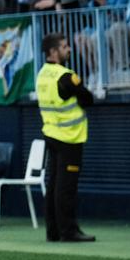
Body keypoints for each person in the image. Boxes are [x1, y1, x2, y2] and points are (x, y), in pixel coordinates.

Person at [37, 33, 95, 242]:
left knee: (53, 185)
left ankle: (52, 231)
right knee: (66, 188)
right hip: (69, 137)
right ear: (53, 52)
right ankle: (69, 231)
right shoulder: (66, 76)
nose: (68, 49)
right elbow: (88, 99)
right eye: (64, 46)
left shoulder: (42, 74)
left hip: (51, 134)